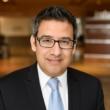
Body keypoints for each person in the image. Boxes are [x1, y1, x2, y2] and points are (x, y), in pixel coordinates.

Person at [0, 6, 105, 110]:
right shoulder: (6, 89)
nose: (56, 52)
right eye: (47, 41)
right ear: (33, 43)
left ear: (73, 47)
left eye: (64, 42)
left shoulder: (92, 88)